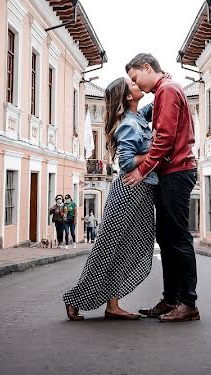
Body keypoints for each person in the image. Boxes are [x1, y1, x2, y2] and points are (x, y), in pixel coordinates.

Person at [62, 76, 158, 321]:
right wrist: (153, 151)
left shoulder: (137, 116)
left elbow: (153, 107)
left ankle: (112, 305)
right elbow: (126, 162)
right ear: (127, 96)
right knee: (107, 249)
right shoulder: (128, 124)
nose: (138, 85)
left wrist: (160, 83)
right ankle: (75, 299)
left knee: (123, 249)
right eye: (134, 85)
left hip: (141, 192)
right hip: (128, 192)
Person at [124, 52, 199, 322]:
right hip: (171, 173)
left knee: (178, 238)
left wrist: (141, 171)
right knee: (166, 239)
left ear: (147, 68)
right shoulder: (163, 93)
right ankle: (171, 299)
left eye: (135, 78)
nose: (136, 84)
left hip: (177, 173)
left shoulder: (167, 90)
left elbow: (165, 139)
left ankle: (188, 303)